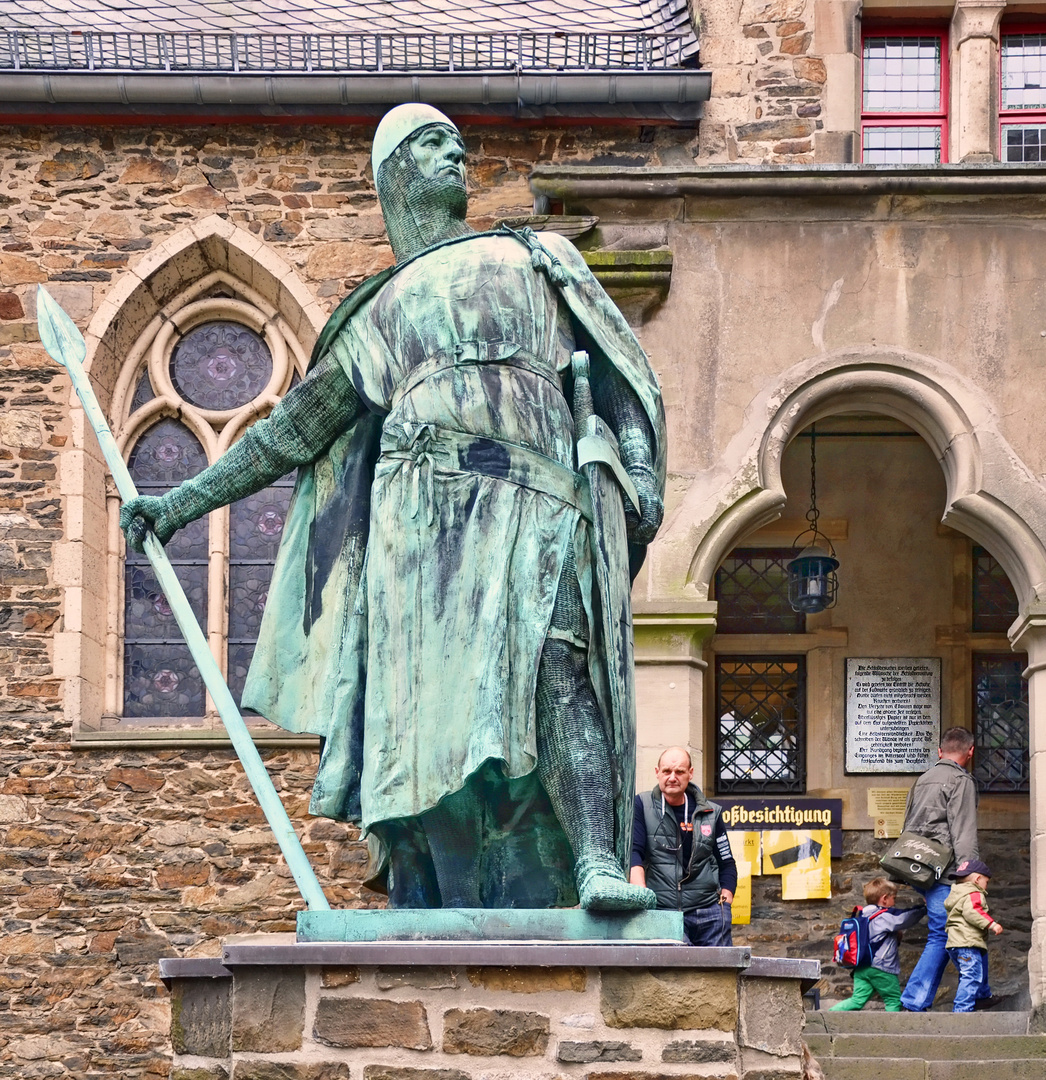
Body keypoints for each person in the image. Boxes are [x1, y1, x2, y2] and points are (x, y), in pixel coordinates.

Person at [119, 104, 665, 912]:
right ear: (396, 173)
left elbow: (618, 377)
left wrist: (642, 471)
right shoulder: (378, 314)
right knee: (423, 725)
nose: (460, 154)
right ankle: (435, 894)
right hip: (422, 536)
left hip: (540, 496)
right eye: (435, 144)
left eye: (459, 143)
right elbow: (290, 434)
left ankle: (594, 861)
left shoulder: (535, 256)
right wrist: (181, 503)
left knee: (557, 658)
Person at [899, 727, 980, 1012]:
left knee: (953, 930)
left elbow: (907, 827)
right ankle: (914, 999)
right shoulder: (961, 781)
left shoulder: (922, 780)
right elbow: (964, 832)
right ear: (970, 751)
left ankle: (981, 991)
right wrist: (970, 873)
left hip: (920, 869)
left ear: (939, 751)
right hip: (947, 872)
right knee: (947, 933)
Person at [629, 747, 737, 945]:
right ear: (657, 773)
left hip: (709, 911)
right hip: (662, 912)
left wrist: (725, 903)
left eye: (679, 772)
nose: (672, 777)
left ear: (690, 773)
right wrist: (642, 899)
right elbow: (634, 853)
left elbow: (727, 861)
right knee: (675, 974)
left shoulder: (711, 812)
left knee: (717, 974)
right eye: (666, 771)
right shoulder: (641, 805)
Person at [829, 876, 927, 1012]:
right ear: (884, 898)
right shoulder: (883, 916)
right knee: (893, 1001)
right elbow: (904, 918)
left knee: (857, 1000)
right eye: (894, 898)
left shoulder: (862, 916)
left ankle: (828, 1016)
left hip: (861, 968)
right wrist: (924, 908)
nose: (895, 902)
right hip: (881, 968)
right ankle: (893, 1032)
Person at [943, 858, 1003, 1013]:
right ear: (977, 879)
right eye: (986, 882)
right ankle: (962, 1009)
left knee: (971, 973)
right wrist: (992, 924)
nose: (986, 886)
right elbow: (973, 911)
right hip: (967, 943)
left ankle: (981, 997)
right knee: (971, 976)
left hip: (955, 944)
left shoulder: (957, 894)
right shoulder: (974, 892)